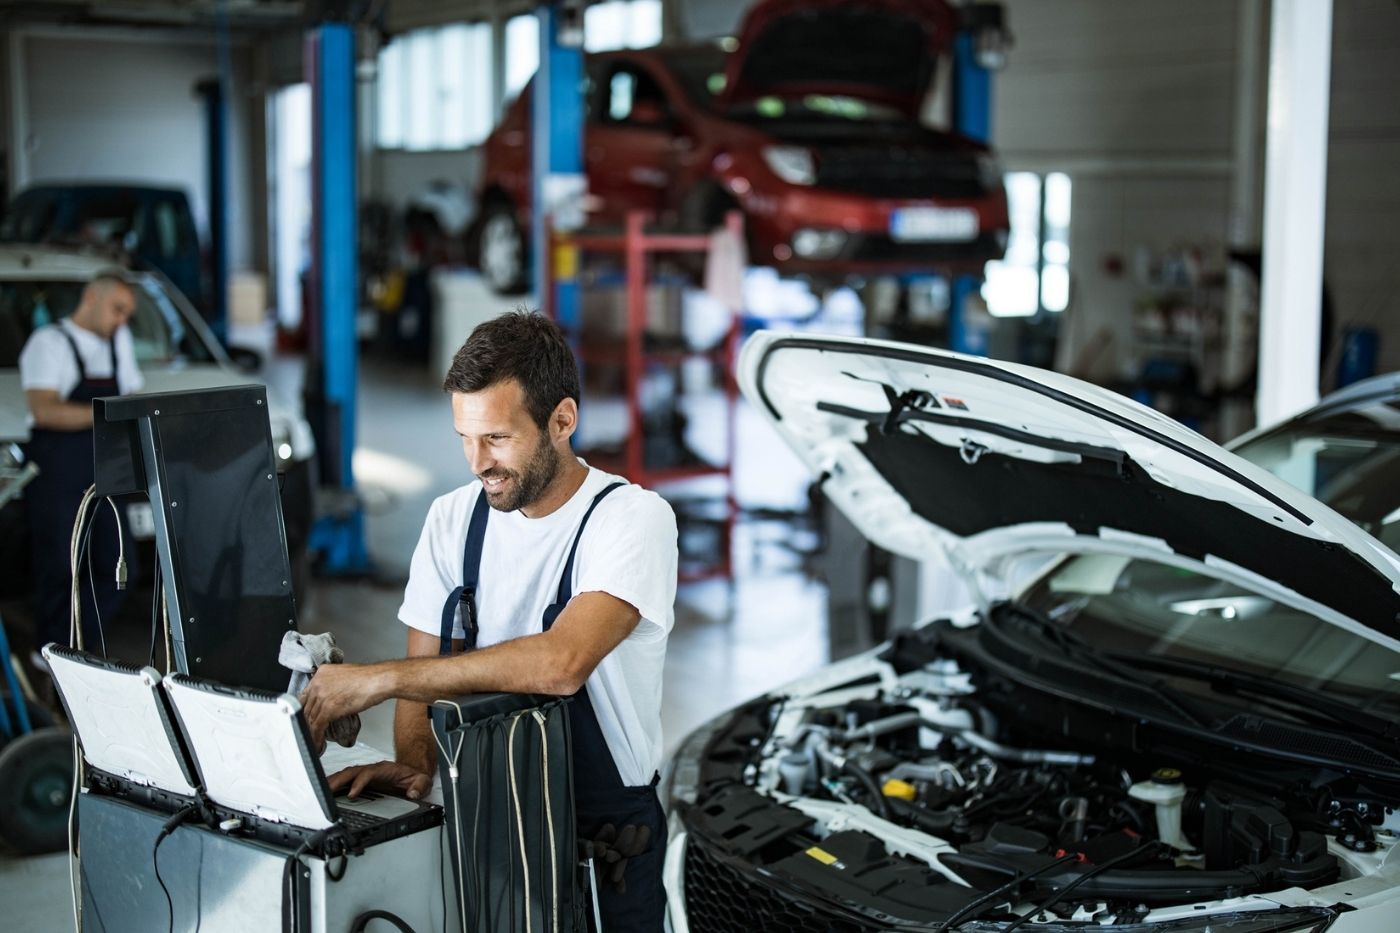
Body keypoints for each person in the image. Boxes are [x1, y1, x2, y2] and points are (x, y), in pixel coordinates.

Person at [301, 310, 678, 931]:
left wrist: (376, 679)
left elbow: (562, 664)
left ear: (562, 421)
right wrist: (419, 770)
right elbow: (424, 683)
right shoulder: (454, 522)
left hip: (601, 851)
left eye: (497, 439)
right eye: (465, 439)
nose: (478, 462)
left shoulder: (630, 520)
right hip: (483, 829)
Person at [19, 270, 143, 652]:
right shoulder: (49, 343)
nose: (122, 320)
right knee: (61, 569)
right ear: (91, 298)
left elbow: (133, 397)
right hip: (60, 473)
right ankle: (50, 654)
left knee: (119, 567)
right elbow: (44, 410)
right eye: (117, 309)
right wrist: (106, 414)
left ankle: (76, 649)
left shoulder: (117, 340)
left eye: (127, 314)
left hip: (105, 473)